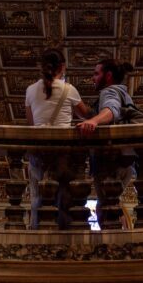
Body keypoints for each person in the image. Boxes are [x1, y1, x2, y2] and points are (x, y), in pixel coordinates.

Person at [24, 48, 89, 229]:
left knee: (38, 196)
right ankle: (64, 237)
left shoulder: (30, 90)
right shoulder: (69, 89)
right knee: (65, 197)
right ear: (62, 67)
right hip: (63, 152)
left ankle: (38, 234)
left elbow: (31, 124)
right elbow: (85, 115)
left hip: (39, 153)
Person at [76, 58, 138, 227]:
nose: (93, 78)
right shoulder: (121, 91)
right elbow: (95, 112)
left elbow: (111, 110)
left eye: (96, 73)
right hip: (123, 162)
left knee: (106, 207)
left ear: (108, 75)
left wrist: (94, 122)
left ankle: (111, 247)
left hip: (110, 163)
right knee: (108, 204)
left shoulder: (109, 91)